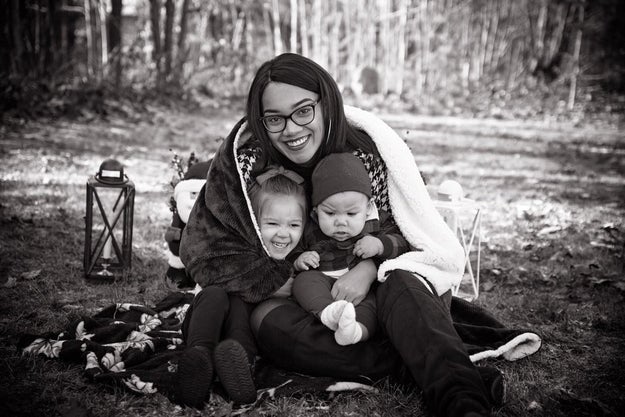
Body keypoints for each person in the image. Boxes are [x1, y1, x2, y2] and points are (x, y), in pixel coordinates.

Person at [180, 52, 501, 416]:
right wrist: (272, 277)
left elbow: (404, 229)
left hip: (378, 288)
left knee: (404, 284)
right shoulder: (249, 162)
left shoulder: (365, 153)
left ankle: (462, 399)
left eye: (303, 111)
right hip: (294, 298)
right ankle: (422, 367)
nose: (291, 129)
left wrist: (367, 269)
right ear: (260, 120)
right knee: (272, 329)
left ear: (326, 102)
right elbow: (208, 249)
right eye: (274, 118)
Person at [174, 166, 306, 407]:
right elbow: (214, 273)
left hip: (242, 335)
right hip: (206, 320)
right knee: (215, 294)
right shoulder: (241, 250)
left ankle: (238, 368)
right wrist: (265, 287)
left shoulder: (298, 260)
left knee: (240, 305)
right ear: (254, 224)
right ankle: (198, 359)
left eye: (294, 225)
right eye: (272, 223)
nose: (283, 234)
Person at [291, 152, 410, 346]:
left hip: (362, 290)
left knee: (371, 305)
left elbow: (403, 243)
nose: (341, 222)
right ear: (315, 211)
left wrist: (380, 245)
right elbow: (293, 250)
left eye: (352, 213)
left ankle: (355, 332)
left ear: (368, 207)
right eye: (329, 213)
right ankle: (328, 314)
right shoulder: (310, 227)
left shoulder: (376, 222)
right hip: (323, 281)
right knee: (304, 282)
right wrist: (300, 258)